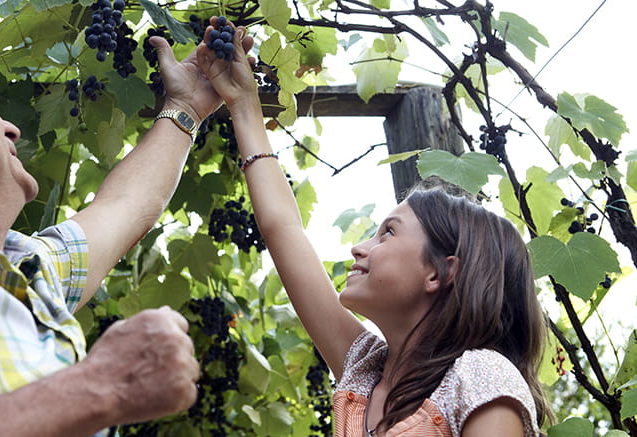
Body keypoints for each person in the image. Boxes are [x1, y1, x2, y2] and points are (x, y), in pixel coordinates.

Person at [0, 32, 252, 436]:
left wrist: (187, 106)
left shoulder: (27, 270)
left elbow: (126, 206)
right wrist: (99, 386)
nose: (10, 128)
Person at [197, 18, 553, 436]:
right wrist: (243, 104)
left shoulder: (481, 377)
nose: (358, 248)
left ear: (441, 272)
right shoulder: (364, 371)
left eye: (388, 232)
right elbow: (283, 228)